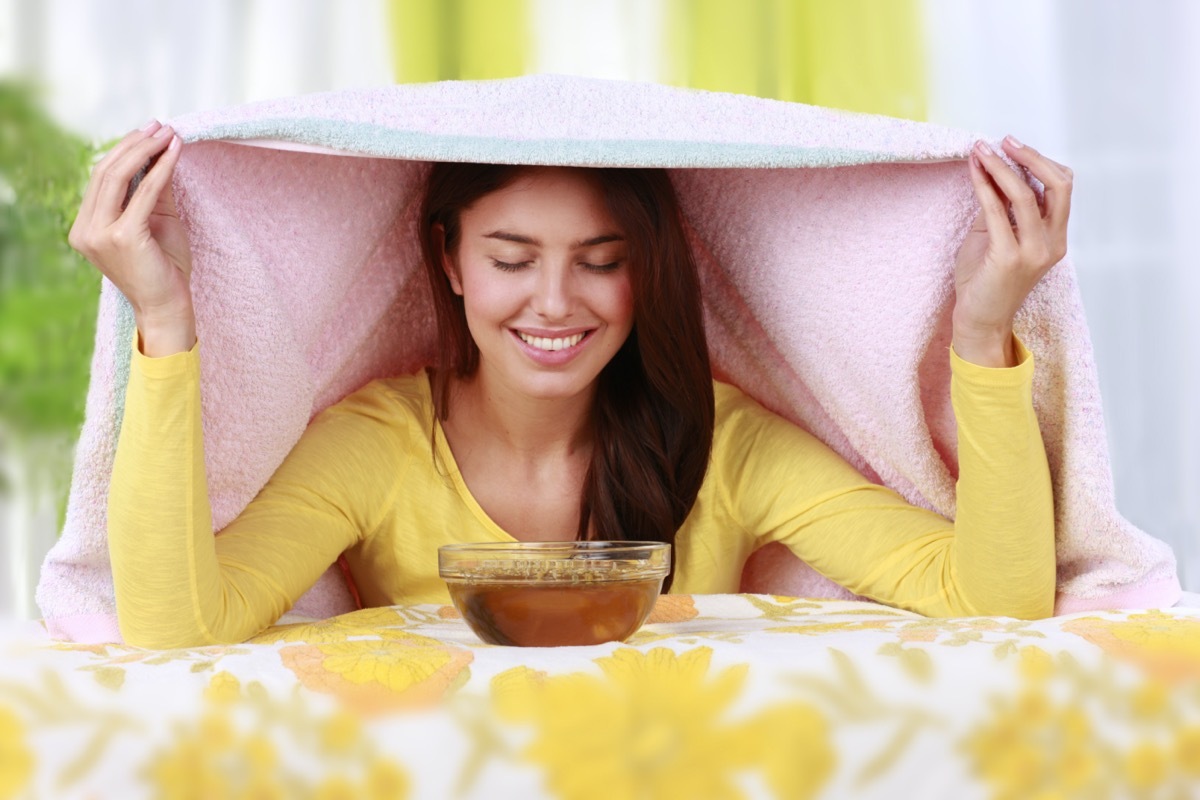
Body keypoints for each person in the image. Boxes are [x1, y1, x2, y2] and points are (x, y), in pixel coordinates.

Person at [69, 120, 1072, 648]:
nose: (556, 301)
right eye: (512, 257)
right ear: (450, 261)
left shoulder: (723, 443)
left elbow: (995, 597)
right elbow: (175, 624)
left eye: (601, 257)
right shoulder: (376, 445)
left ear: (648, 268)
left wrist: (982, 329)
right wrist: (166, 320)